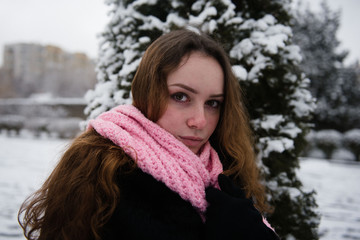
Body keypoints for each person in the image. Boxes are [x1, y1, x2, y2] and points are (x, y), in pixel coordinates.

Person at [18, 29, 279, 240]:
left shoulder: (225, 169)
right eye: (180, 96)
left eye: (213, 103)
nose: (199, 121)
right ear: (147, 92)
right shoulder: (98, 166)